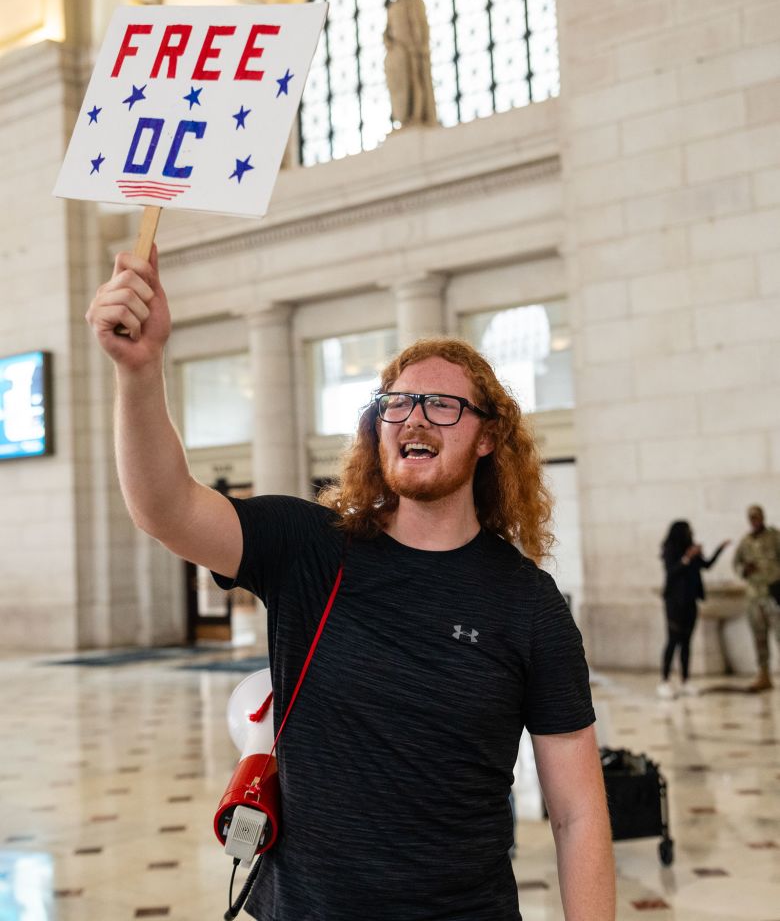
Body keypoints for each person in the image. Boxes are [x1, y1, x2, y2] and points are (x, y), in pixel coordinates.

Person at [85, 248, 615, 921]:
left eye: (444, 404)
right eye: (397, 402)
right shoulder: (308, 547)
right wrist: (140, 370)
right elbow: (165, 509)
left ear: (489, 438)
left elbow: (576, 814)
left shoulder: (528, 604)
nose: (415, 417)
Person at [657, 522, 729, 699]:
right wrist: (686, 558)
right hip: (674, 603)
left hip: (690, 602)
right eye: (688, 531)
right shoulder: (670, 550)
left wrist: (719, 549)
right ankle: (665, 681)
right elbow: (671, 572)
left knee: (687, 643)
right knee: (673, 641)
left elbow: (707, 565)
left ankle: (685, 681)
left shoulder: (692, 549)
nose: (691, 534)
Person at [733, 505, 780, 692]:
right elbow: (736, 564)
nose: (755, 520)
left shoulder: (774, 537)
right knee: (759, 636)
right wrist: (744, 570)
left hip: (774, 594)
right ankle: (764, 674)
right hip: (754, 596)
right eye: (751, 517)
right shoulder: (745, 542)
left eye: (757, 517)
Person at [384, 0, 438, 128]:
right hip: (400, 51)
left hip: (415, 50)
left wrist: (423, 46)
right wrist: (389, 42)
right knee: (406, 84)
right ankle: (406, 116)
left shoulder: (416, 2)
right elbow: (387, 31)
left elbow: (422, 25)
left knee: (417, 80)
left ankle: (418, 114)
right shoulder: (393, 8)